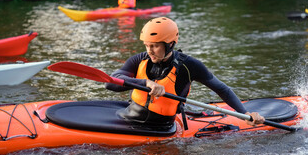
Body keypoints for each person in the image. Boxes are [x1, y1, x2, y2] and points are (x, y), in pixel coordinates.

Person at [105, 17, 265, 128]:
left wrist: (245, 114)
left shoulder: (188, 66)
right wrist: (145, 83)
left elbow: (222, 89)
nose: (149, 51)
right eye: (147, 45)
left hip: (159, 127)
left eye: (155, 46)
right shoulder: (140, 59)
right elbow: (110, 83)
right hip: (128, 117)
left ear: (170, 44)